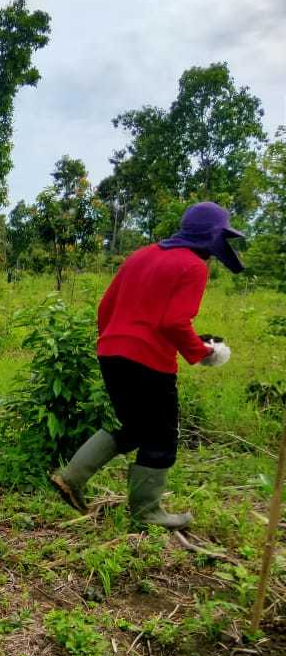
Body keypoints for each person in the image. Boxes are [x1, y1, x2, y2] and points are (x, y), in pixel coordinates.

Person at [51, 202, 242, 527]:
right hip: (148, 361)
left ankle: (71, 477)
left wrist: (115, 343)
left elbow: (105, 307)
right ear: (212, 235)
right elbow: (173, 323)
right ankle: (147, 512)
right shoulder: (194, 266)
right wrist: (202, 352)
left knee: (134, 427)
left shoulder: (141, 254)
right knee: (162, 436)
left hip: (111, 352)